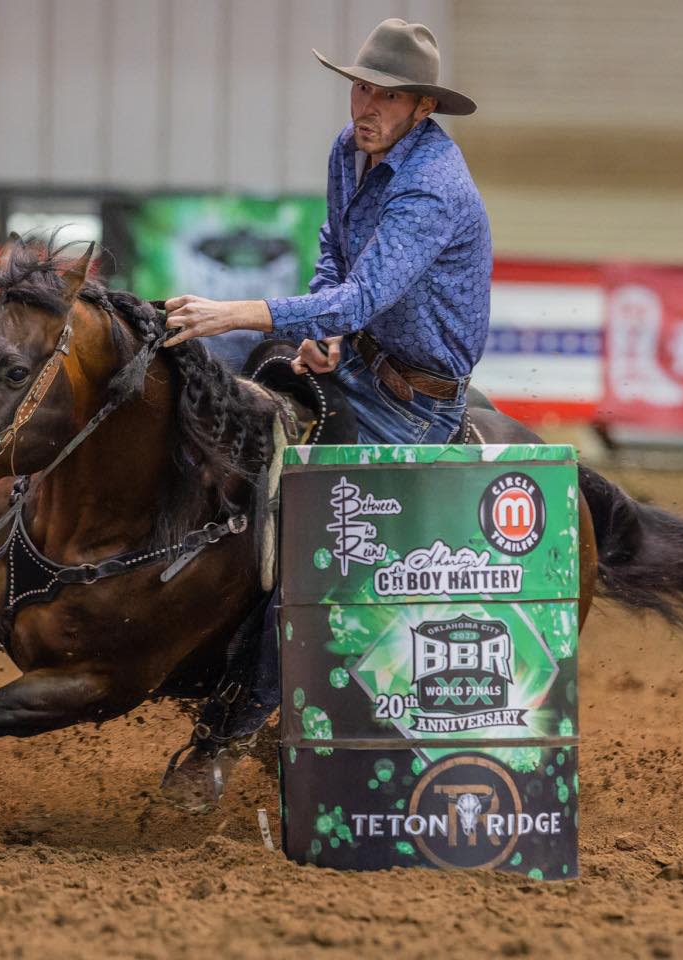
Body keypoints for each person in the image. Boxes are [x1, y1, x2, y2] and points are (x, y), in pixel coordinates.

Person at [159, 19, 492, 810]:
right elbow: (333, 259)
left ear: (421, 107)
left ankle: (225, 740)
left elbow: (361, 294)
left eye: (386, 93)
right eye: (360, 86)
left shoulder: (431, 186)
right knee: (221, 438)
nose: (366, 103)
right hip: (360, 367)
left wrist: (241, 313)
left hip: (412, 408)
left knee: (319, 559)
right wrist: (323, 339)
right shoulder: (352, 153)